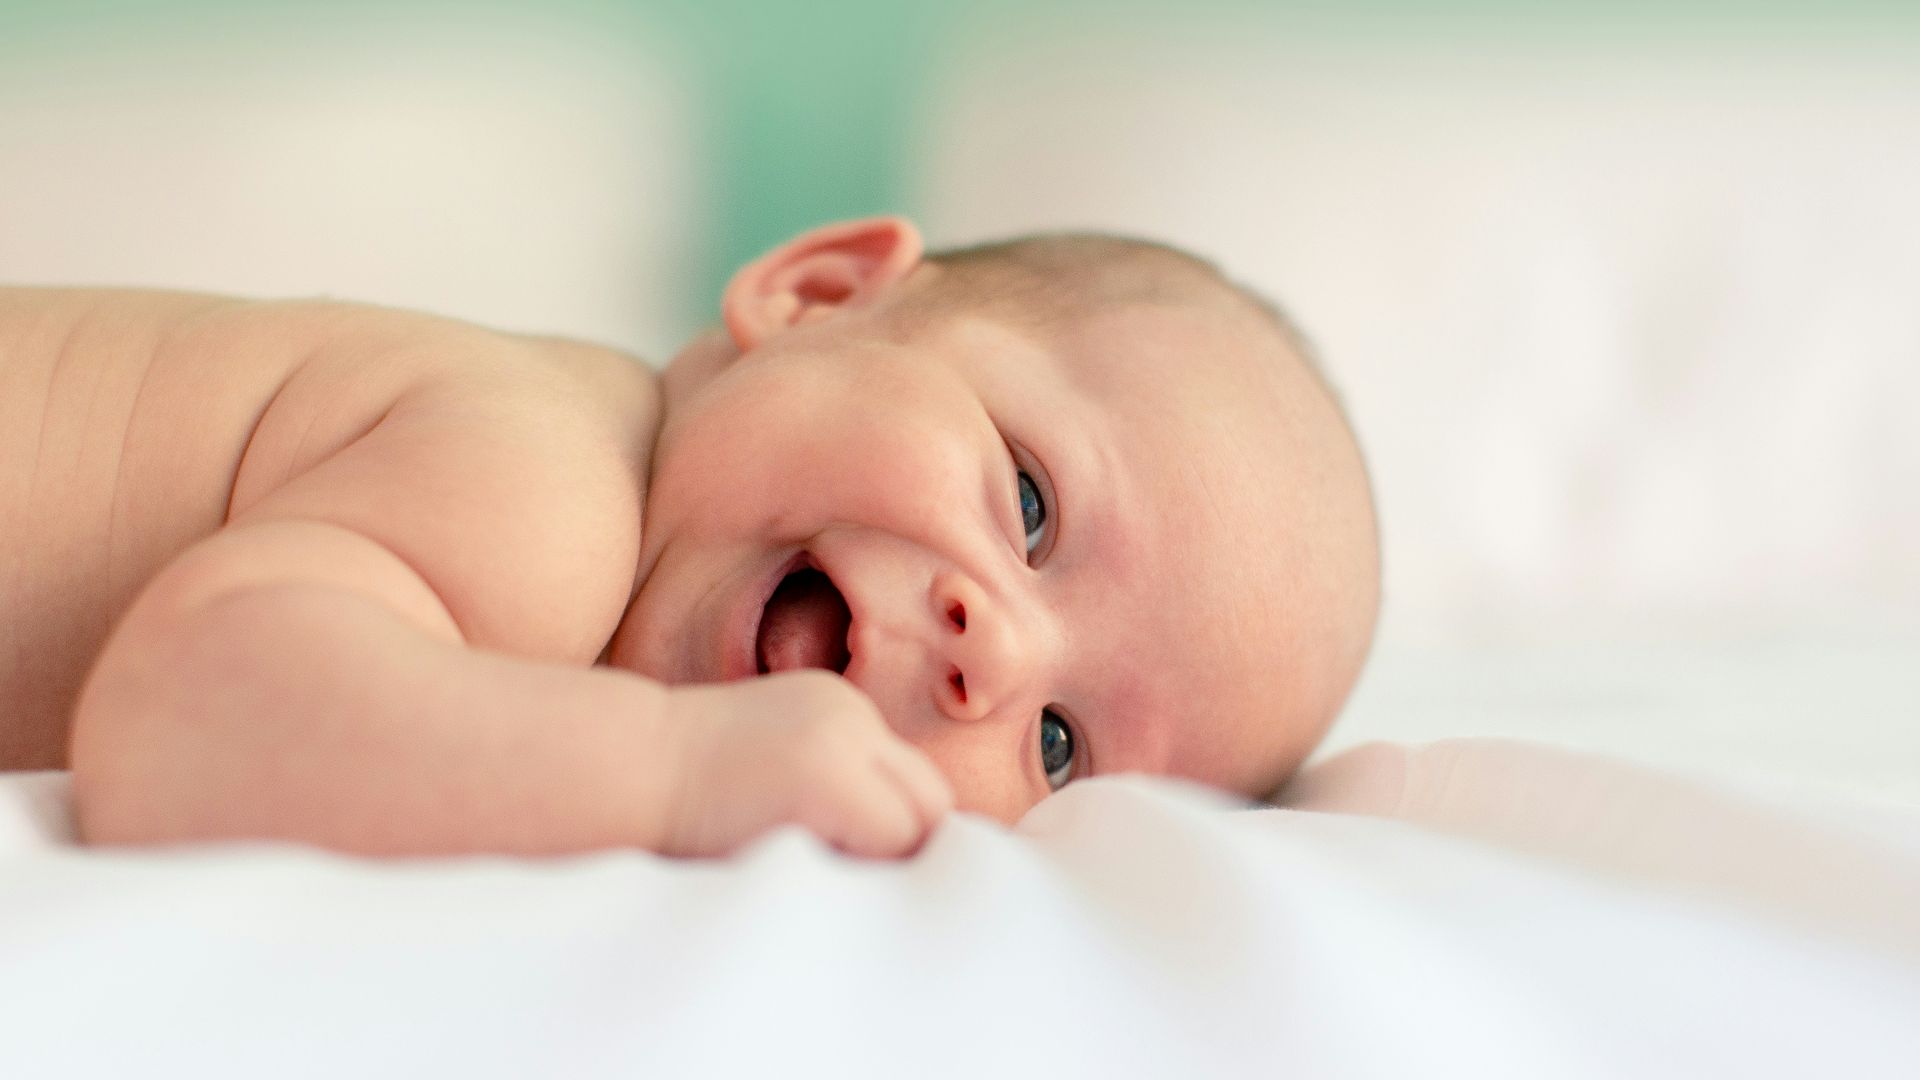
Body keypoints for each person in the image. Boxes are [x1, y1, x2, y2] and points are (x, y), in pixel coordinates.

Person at [0, 216, 1379, 858]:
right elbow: (183, 726)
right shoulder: (548, 485)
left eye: (1060, 748)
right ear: (817, 293)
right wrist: (667, 773)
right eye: (1028, 503)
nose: (993, 657)